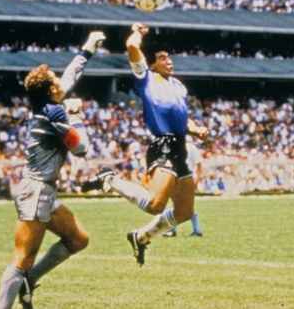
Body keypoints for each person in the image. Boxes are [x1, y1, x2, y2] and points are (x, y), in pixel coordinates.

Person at [81, 23, 209, 266]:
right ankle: (110, 179)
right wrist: (139, 32)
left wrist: (195, 129)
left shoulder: (178, 86)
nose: (169, 62)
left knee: (184, 213)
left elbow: (183, 116)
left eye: (169, 57)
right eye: (162, 58)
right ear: (151, 64)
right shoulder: (146, 77)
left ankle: (140, 237)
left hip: (180, 147)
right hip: (163, 145)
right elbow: (131, 45)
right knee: (154, 205)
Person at [0, 31, 105, 309]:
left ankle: (29, 280)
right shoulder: (55, 114)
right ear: (52, 91)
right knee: (21, 259)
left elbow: (69, 75)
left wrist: (88, 48)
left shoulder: (49, 103)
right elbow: (82, 149)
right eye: (56, 81)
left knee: (78, 238)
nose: (61, 81)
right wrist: (77, 117)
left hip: (43, 189)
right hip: (36, 190)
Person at [162, 136, 204, 237]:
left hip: (187, 178)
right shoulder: (173, 148)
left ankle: (173, 230)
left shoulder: (190, 148)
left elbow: (198, 164)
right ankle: (196, 230)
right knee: (182, 205)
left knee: (182, 205)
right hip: (178, 179)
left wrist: (197, 179)